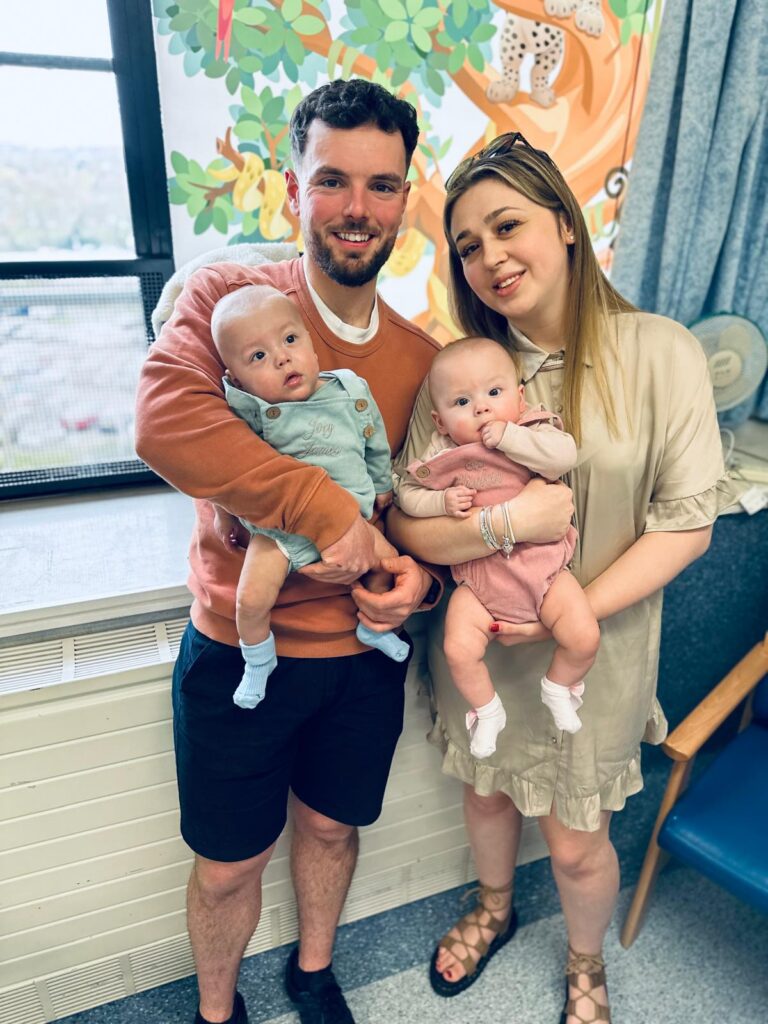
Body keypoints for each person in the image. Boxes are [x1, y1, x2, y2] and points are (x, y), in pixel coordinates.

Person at [385, 132, 736, 1023]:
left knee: (579, 845)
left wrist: (563, 613)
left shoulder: (660, 353)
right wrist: (503, 524)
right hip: (479, 645)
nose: (490, 258)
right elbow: (407, 524)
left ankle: (585, 963)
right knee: (487, 794)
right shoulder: (461, 374)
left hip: (595, 652)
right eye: (467, 245)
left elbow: (686, 525)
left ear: (567, 225)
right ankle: (495, 909)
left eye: (508, 226)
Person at [134, 79, 452, 1024]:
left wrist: (422, 588)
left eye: (383, 185)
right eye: (333, 180)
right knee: (229, 867)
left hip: (360, 662)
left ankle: (315, 974)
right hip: (240, 649)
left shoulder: (422, 360)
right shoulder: (228, 304)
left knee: (330, 826)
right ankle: (217, 1012)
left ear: (405, 197)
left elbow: (419, 517)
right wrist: (320, 509)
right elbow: (164, 423)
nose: (358, 209)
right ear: (293, 189)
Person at [209, 283, 409, 711]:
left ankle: (372, 627)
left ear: (312, 346)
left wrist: (381, 489)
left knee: (389, 567)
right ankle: (258, 659)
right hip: (279, 531)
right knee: (250, 599)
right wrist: (225, 515)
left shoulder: (350, 391)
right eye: (258, 357)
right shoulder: (250, 410)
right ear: (237, 380)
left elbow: (373, 443)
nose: (282, 357)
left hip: (355, 515)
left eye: (290, 340)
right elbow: (226, 469)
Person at [397, 336, 599, 756]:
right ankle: (487, 711)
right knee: (458, 648)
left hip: (542, 569)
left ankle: (559, 687)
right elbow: (406, 497)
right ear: (439, 421)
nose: (482, 408)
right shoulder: (444, 453)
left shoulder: (532, 429)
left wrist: (508, 437)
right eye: (462, 402)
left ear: (520, 397)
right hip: (479, 579)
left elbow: (563, 457)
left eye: (494, 393)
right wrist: (440, 501)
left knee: (583, 636)